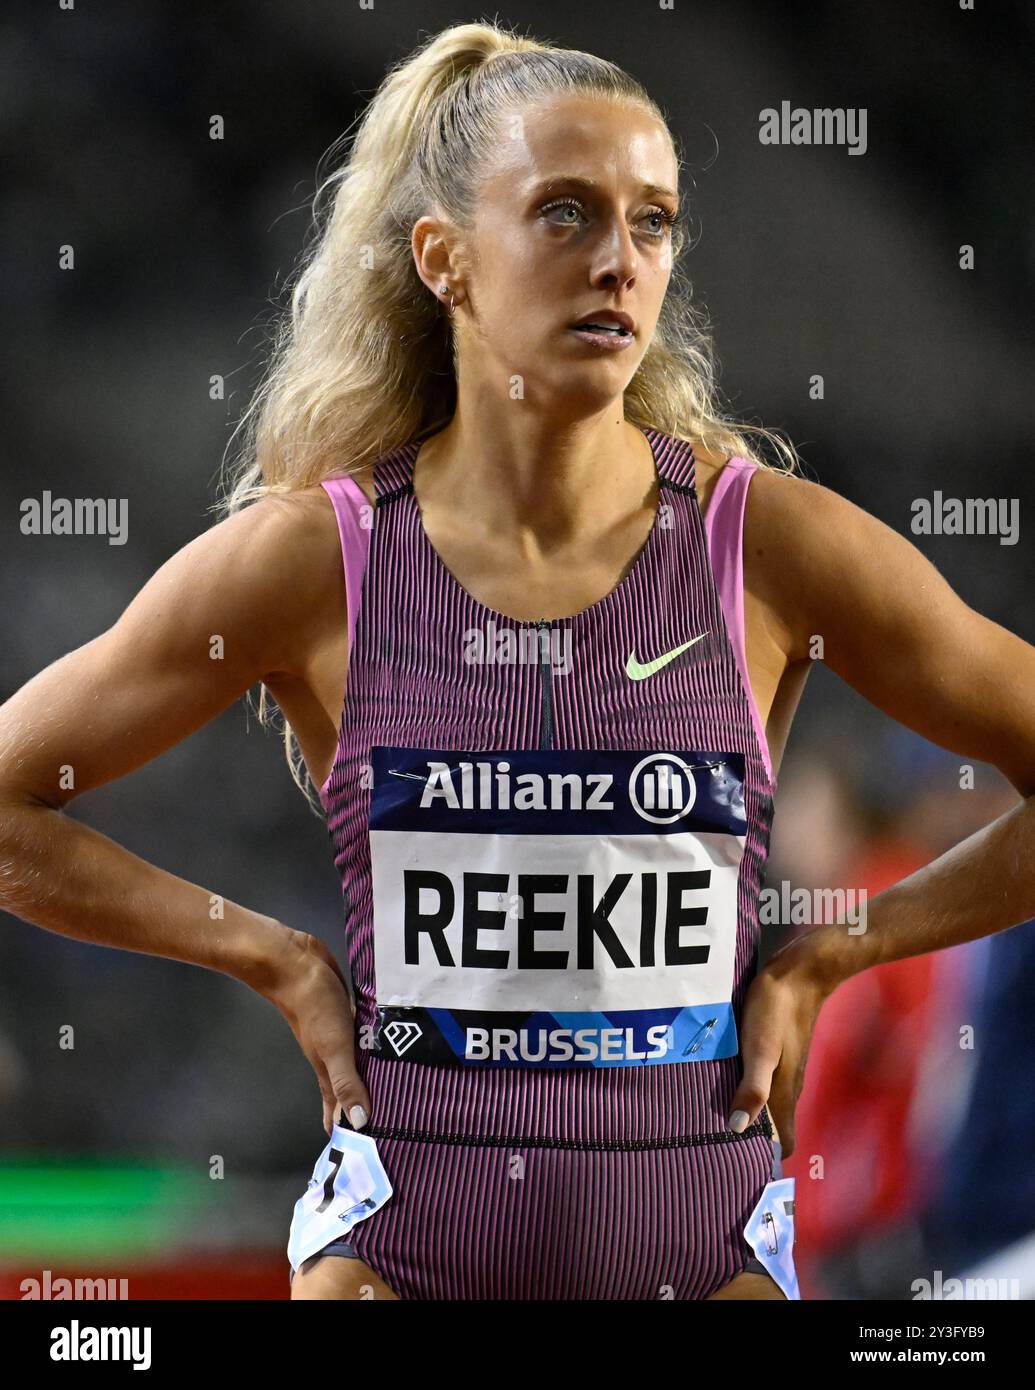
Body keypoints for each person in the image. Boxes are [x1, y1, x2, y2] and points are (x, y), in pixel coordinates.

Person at [2, 20, 1034, 1303]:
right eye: (564, 214)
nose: (618, 260)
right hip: (395, 1255)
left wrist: (837, 949)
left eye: (652, 221)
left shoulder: (767, 544)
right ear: (445, 259)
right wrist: (267, 952)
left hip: (700, 1255)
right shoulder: (312, 563)